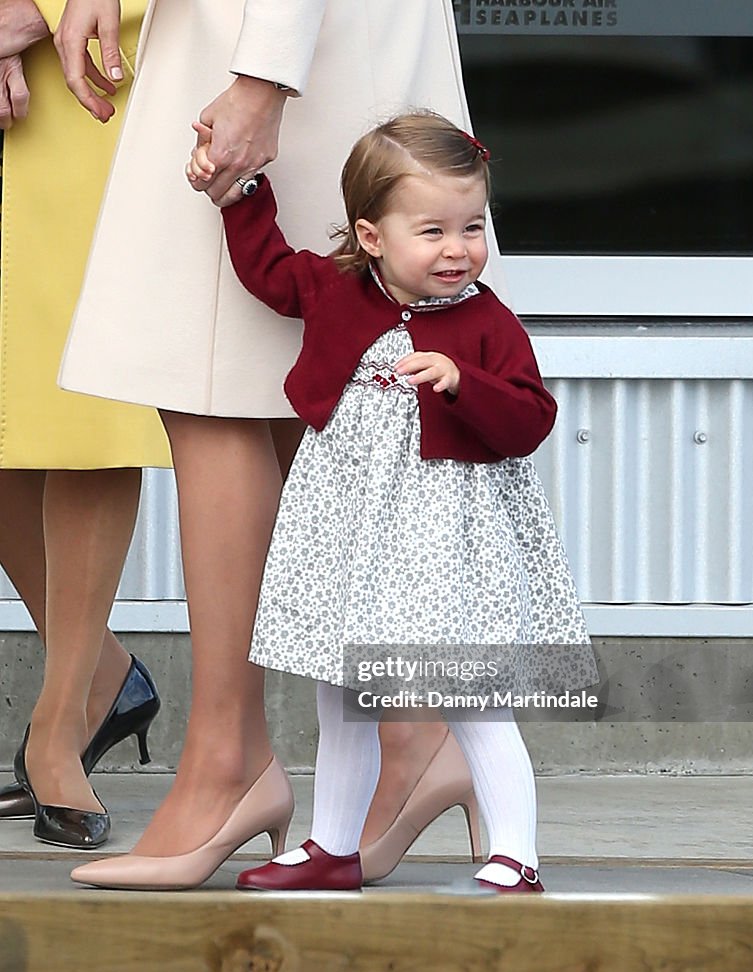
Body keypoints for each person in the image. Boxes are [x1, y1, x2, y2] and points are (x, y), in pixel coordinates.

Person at [72, 112, 594, 893]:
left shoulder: (487, 323)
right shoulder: (339, 289)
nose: (457, 249)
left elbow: (530, 418)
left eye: (472, 227)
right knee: (342, 691)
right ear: (373, 236)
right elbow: (270, 272)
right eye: (433, 231)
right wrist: (240, 195)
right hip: (350, 530)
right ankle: (332, 846)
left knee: (467, 694)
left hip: (441, 541)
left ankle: (516, 855)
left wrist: (464, 383)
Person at [55, 0, 494, 888]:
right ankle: (412, 730)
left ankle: (231, 763)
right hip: (289, 36)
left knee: (218, 391)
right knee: (312, 396)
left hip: (276, 36)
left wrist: (263, 76)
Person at [0, 0, 166, 848]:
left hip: (85, 74)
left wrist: (38, 8)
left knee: (80, 408)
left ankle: (59, 726)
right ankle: (106, 673)